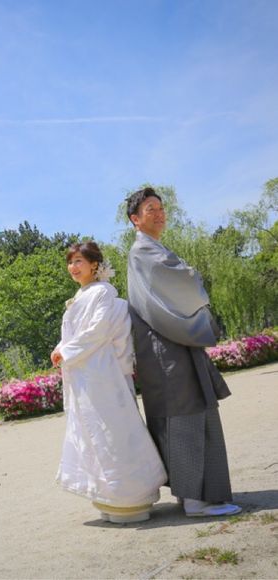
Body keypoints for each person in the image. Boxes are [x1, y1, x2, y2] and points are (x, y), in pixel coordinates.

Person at [126, 187, 241, 517]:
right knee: (184, 415)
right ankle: (195, 500)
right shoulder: (142, 251)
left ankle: (193, 495)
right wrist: (193, 274)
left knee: (190, 412)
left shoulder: (153, 248)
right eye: (150, 209)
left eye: (161, 208)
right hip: (166, 346)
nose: (159, 214)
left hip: (172, 342)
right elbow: (182, 281)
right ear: (135, 220)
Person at [51, 241, 167, 523]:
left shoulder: (102, 292)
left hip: (103, 374)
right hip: (87, 373)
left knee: (114, 430)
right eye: (70, 262)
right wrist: (61, 348)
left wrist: (66, 351)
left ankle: (130, 496)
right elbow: (77, 334)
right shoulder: (81, 295)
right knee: (95, 433)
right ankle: (107, 494)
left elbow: (98, 330)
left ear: (94, 264)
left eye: (79, 261)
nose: (73, 267)